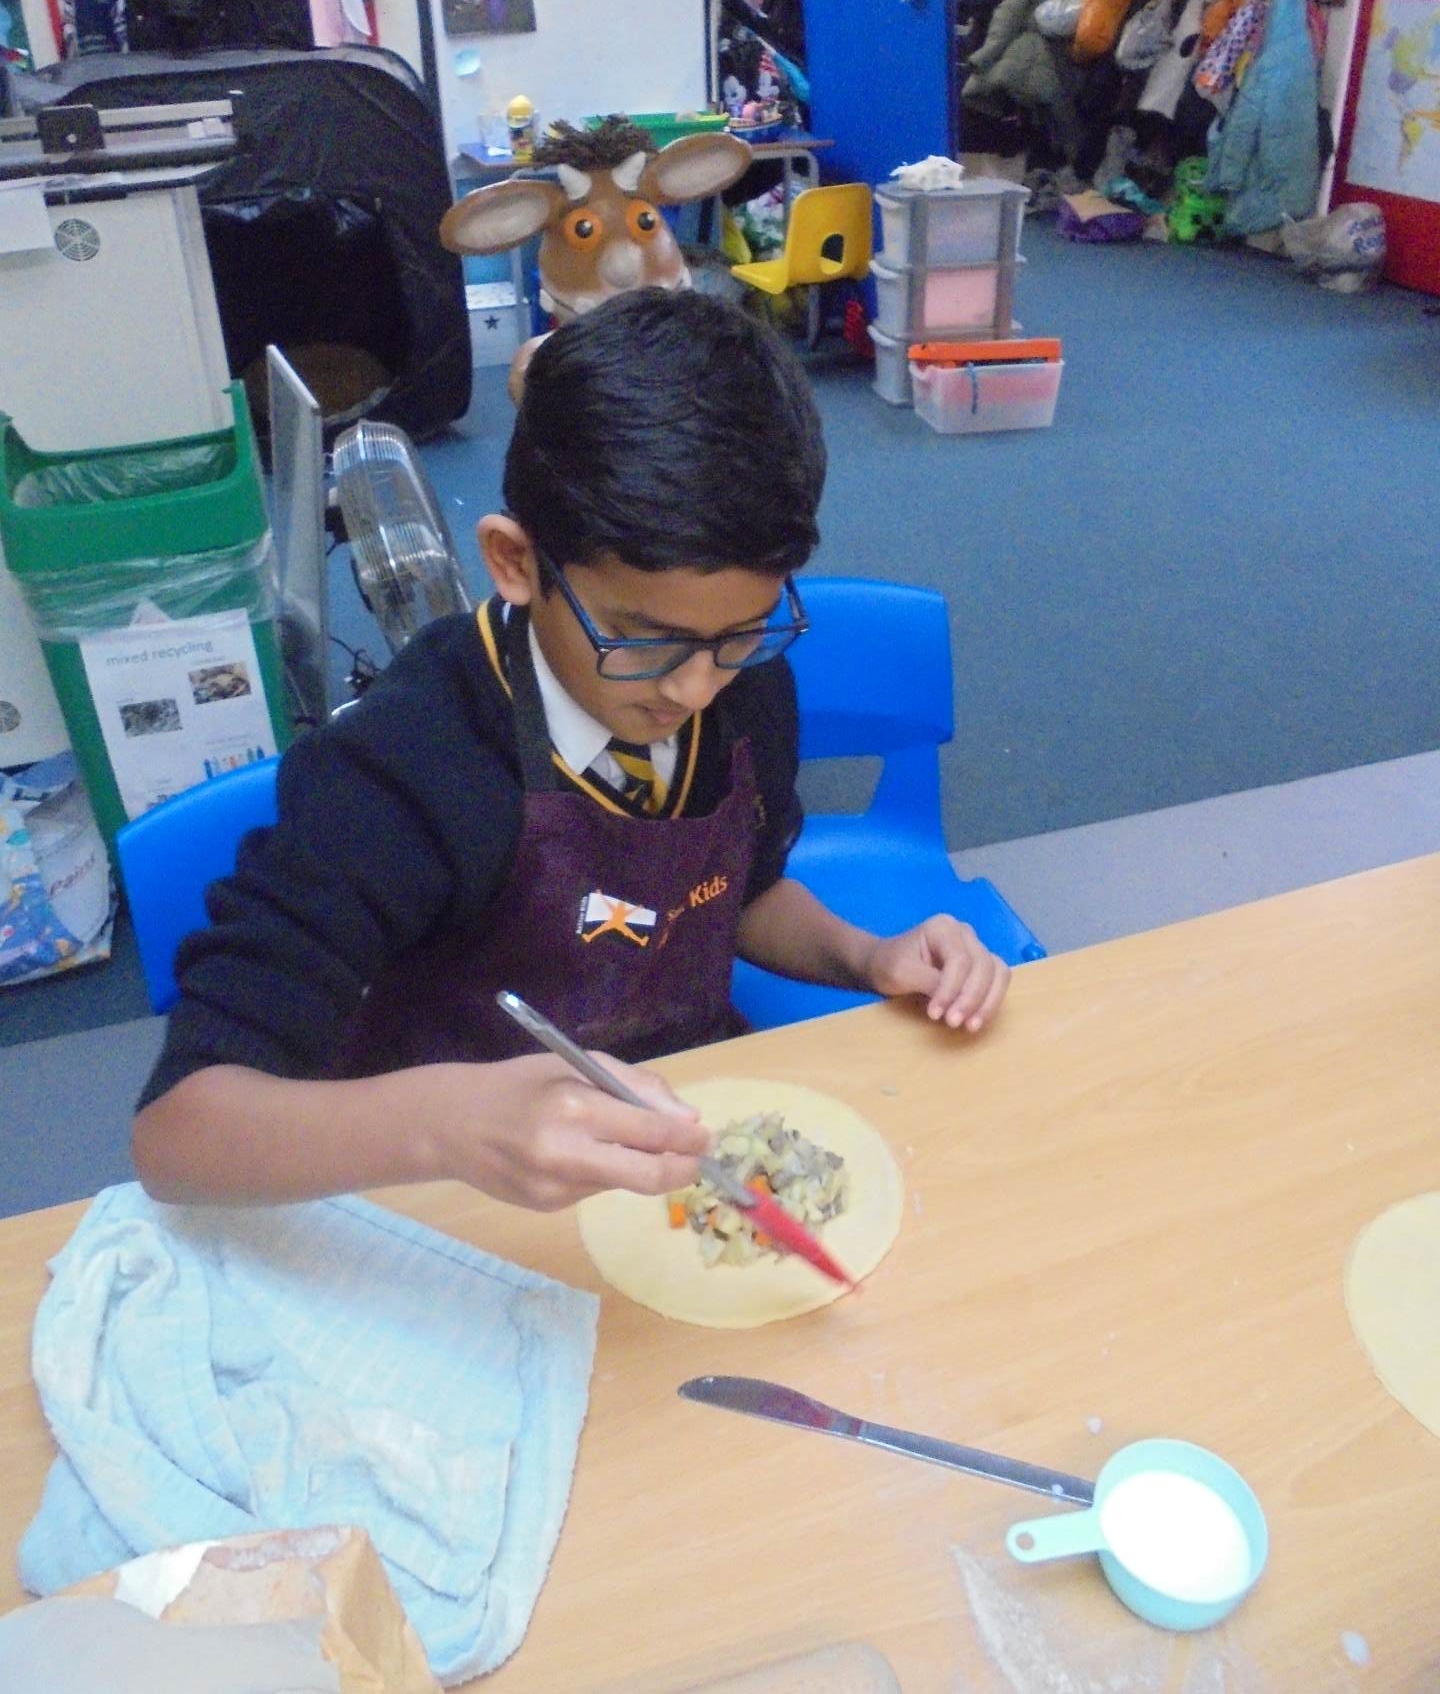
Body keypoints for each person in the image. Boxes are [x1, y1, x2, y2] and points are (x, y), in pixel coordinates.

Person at [133, 290, 1009, 1211]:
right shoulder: (404, 767)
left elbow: (738, 894)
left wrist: (867, 957)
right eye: (642, 640)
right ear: (516, 563)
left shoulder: (742, 686)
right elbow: (177, 1131)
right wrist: (444, 1127)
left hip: (667, 1137)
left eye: (741, 633)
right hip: (448, 1182)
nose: (694, 689)